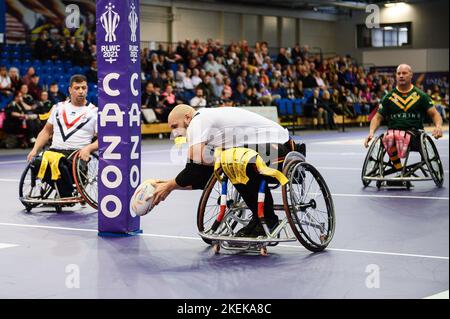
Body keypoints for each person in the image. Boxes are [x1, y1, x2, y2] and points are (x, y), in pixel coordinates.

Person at [151, 104, 302, 238]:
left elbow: (196, 158)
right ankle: (259, 219)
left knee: (236, 162)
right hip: (266, 147)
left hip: (279, 148)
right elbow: (199, 175)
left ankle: (267, 220)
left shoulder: (199, 120)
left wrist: (170, 185)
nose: (175, 133)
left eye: (174, 126)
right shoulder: (208, 126)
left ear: (187, 118)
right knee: (230, 163)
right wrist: (169, 185)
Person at [26, 74, 98, 197]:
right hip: (54, 151)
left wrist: (89, 148)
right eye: (77, 88)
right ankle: (63, 189)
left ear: (87, 89)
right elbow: (46, 131)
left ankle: (66, 193)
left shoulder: (94, 112)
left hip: (76, 154)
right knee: (36, 162)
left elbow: (103, 139)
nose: (81, 91)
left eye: (83, 88)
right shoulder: (58, 108)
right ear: (70, 90)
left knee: (59, 164)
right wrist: (35, 149)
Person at [364, 64, 443, 148]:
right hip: (393, 136)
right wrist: (371, 132)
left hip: (415, 135)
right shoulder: (388, 97)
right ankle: (397, 162)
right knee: (388, 137)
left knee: (390, 137)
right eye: (398, 73)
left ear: (411, 75)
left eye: (404, 73)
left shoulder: (421, 96)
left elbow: (434, 114)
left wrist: (438, 127)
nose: (401, 76)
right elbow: (377, 117)